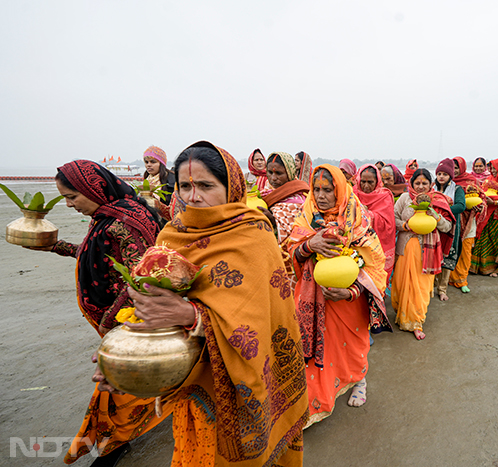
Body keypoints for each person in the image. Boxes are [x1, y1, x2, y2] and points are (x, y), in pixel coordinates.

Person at [95, 141, 309, 465]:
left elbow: (262, 318)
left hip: (241, 386)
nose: (193, 197)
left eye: (206, 186)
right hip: (191, 386)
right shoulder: (171, 235)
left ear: (232, 188)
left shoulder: (255, 236)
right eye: (185, 186)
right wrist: (125, 359)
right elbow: (150, 306)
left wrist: (192, 316)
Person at [38, 161, 167, 465]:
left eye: (72, 197)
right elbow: (89, 250)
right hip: (115, 319)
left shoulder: (124, 221)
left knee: (120, 382)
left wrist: (111, 321)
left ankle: (115, 442)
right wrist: (55, 246)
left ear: (91, 189)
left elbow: (140, 278)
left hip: (129, 321)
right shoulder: (107, 215)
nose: (69, 205)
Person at [288, 164, 391, 424]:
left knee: (353, 346)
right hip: (313, 298)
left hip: (348, 302)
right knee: (316, 352)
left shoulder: (358, 219)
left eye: (328, 190)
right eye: (316, 189)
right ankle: (317, 402)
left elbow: (375, 265)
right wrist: (310, 244)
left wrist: (350, 292)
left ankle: (359, 381)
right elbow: (288, 253)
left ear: (341, 191)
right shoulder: (305, 216)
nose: (321, 196)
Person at [393, 169, 454, 339]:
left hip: (428, 252)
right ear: (411, 184)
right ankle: (403, 315)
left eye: (424, 183)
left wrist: (436, 216)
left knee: (420, 288)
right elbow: (393, 218)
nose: (420, 187)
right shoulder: (405, 199)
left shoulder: (438, 200)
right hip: (405, 249)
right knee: (402, 284)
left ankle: (415, 322)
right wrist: (406, 226)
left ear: (431, 184)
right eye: (417, 183)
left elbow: (447, 227)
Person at [261, 152, 310, 283]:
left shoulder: (299, 198)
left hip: (291, 261)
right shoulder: (265, 192)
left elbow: (296, 233)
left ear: (289, 172)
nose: (273, 178)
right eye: (270, 172)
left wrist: (273, 221)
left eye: (279, 173)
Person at [353, 164, 397, 284]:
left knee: (376, 282)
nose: (366, 186)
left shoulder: (384, 196)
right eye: (363, 182)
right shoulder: (353, 193)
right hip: (357, 245)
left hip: (378, 246)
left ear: (377, 181)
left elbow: (388, 225)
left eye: (370, 182)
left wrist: (368, 215)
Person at [448, 156, 485, 291]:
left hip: (469, 221)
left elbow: (482, 198)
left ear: (462, 168)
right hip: (452, 220)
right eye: (452, 168)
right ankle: (448, 277)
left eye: (457, 168)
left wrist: (479, 207)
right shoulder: (447, 182)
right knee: (451, 249)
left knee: (465, 250)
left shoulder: (471, 181)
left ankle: (462, 280)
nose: (454, 171)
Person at [432, 158, 466, 301]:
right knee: (432, 256)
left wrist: (443, 210)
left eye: (444, 174)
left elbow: (461, 206)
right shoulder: (431, 187)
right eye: (439, 173)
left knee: (447, 259)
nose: (441, 177)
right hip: (433, 227)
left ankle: (442, 289)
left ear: (450, 176)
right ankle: (430, 287)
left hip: (450, 228)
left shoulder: (457, 189)